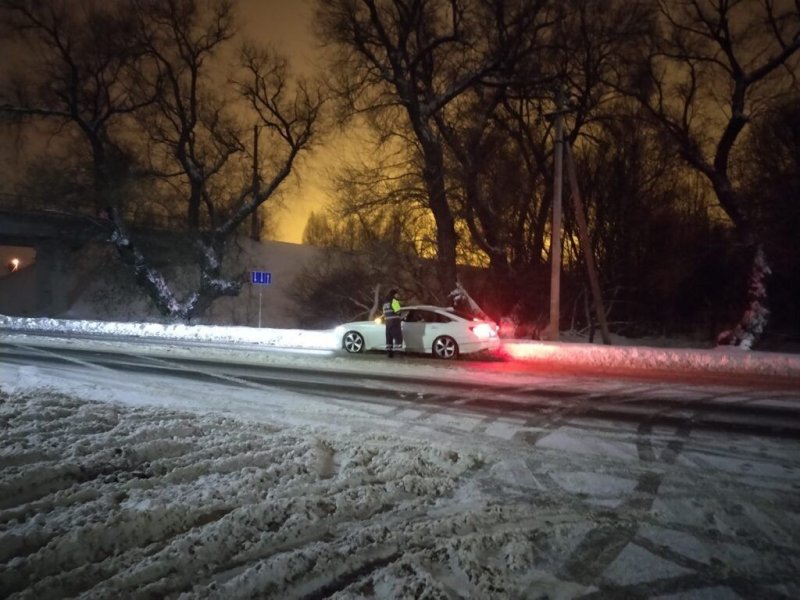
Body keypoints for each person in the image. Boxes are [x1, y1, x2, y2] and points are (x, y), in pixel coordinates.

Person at [382, 287, 403, 357]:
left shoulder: (385, 303)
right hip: (395, 322)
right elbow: (398, 311)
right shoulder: (394, 301)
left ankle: (389, 353)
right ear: (394, 294)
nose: (398, 296)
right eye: (397, 294)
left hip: (387, 323)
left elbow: (384, 313)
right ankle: (399, 353)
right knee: (398, 337)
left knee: (389, 337)